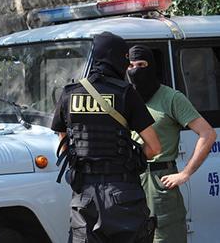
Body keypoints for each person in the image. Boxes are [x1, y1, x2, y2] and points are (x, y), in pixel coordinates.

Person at [51, 32, 162, 243]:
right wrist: (133, 159)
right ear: (117, 58)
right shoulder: (125, 93)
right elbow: (154, 147)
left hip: (84, 198)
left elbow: (64, 144)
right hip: (123, 194)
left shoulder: (69, 93)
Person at [127, 44, 216, 243]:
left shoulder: (171, 98)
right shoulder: (127, 98)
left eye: (141, 64)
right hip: (131, 181)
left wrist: (185, 174)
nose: (135, 70)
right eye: (131, 65)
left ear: (151, 67)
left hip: (160, 182)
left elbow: (208, 134)